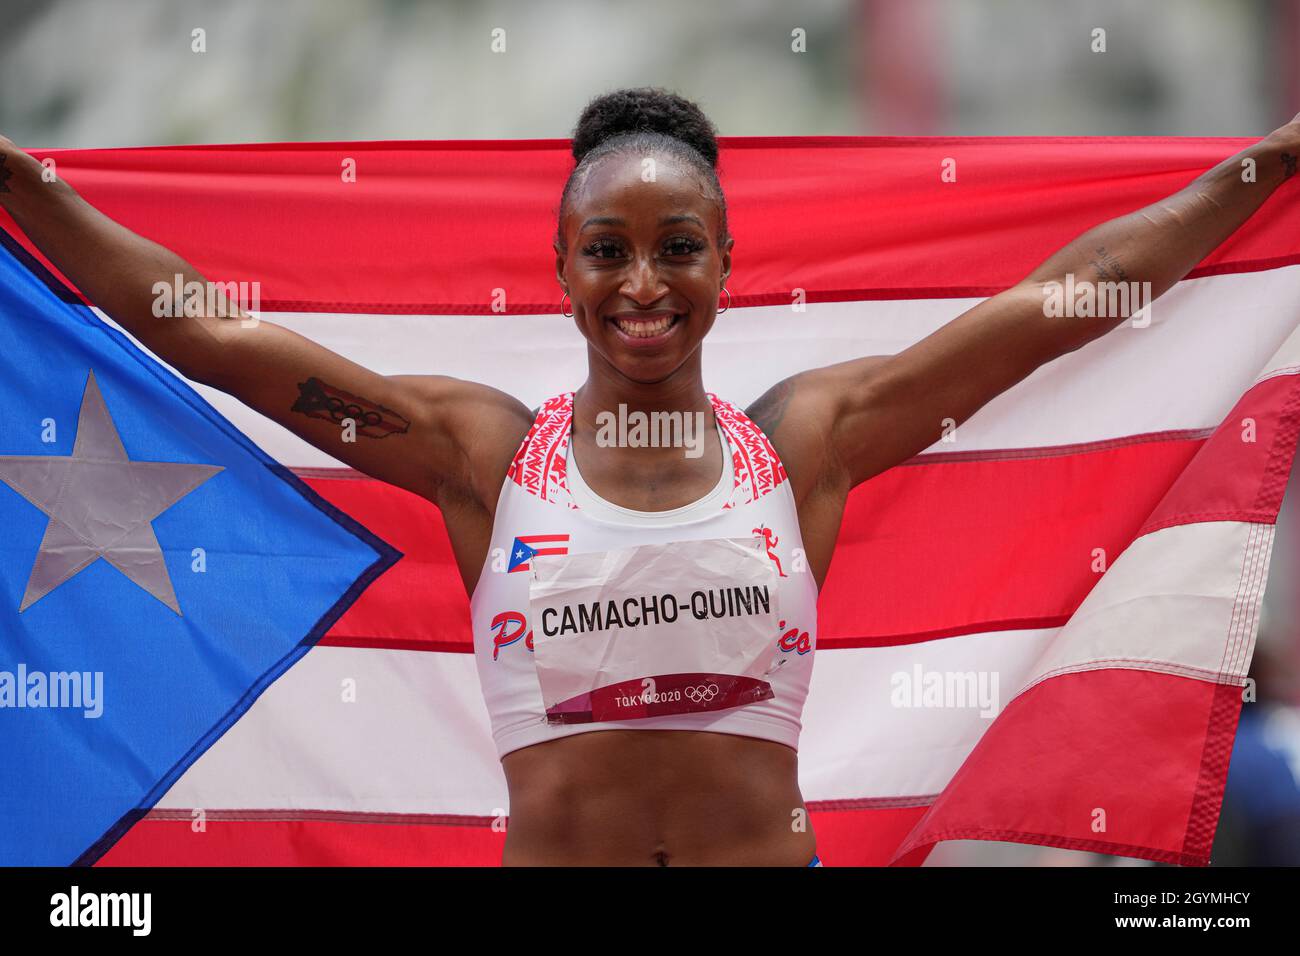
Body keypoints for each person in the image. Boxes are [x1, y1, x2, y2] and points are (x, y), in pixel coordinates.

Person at [1, 88, 1296, 867]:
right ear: (561, 269)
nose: (642, 283)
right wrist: (24, 186)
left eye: (679, 247)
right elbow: (208, 335)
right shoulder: (483, 456)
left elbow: (1064, 303)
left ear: (728, 267)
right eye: (606, 249)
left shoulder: (808, 442)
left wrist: (1273, 166)